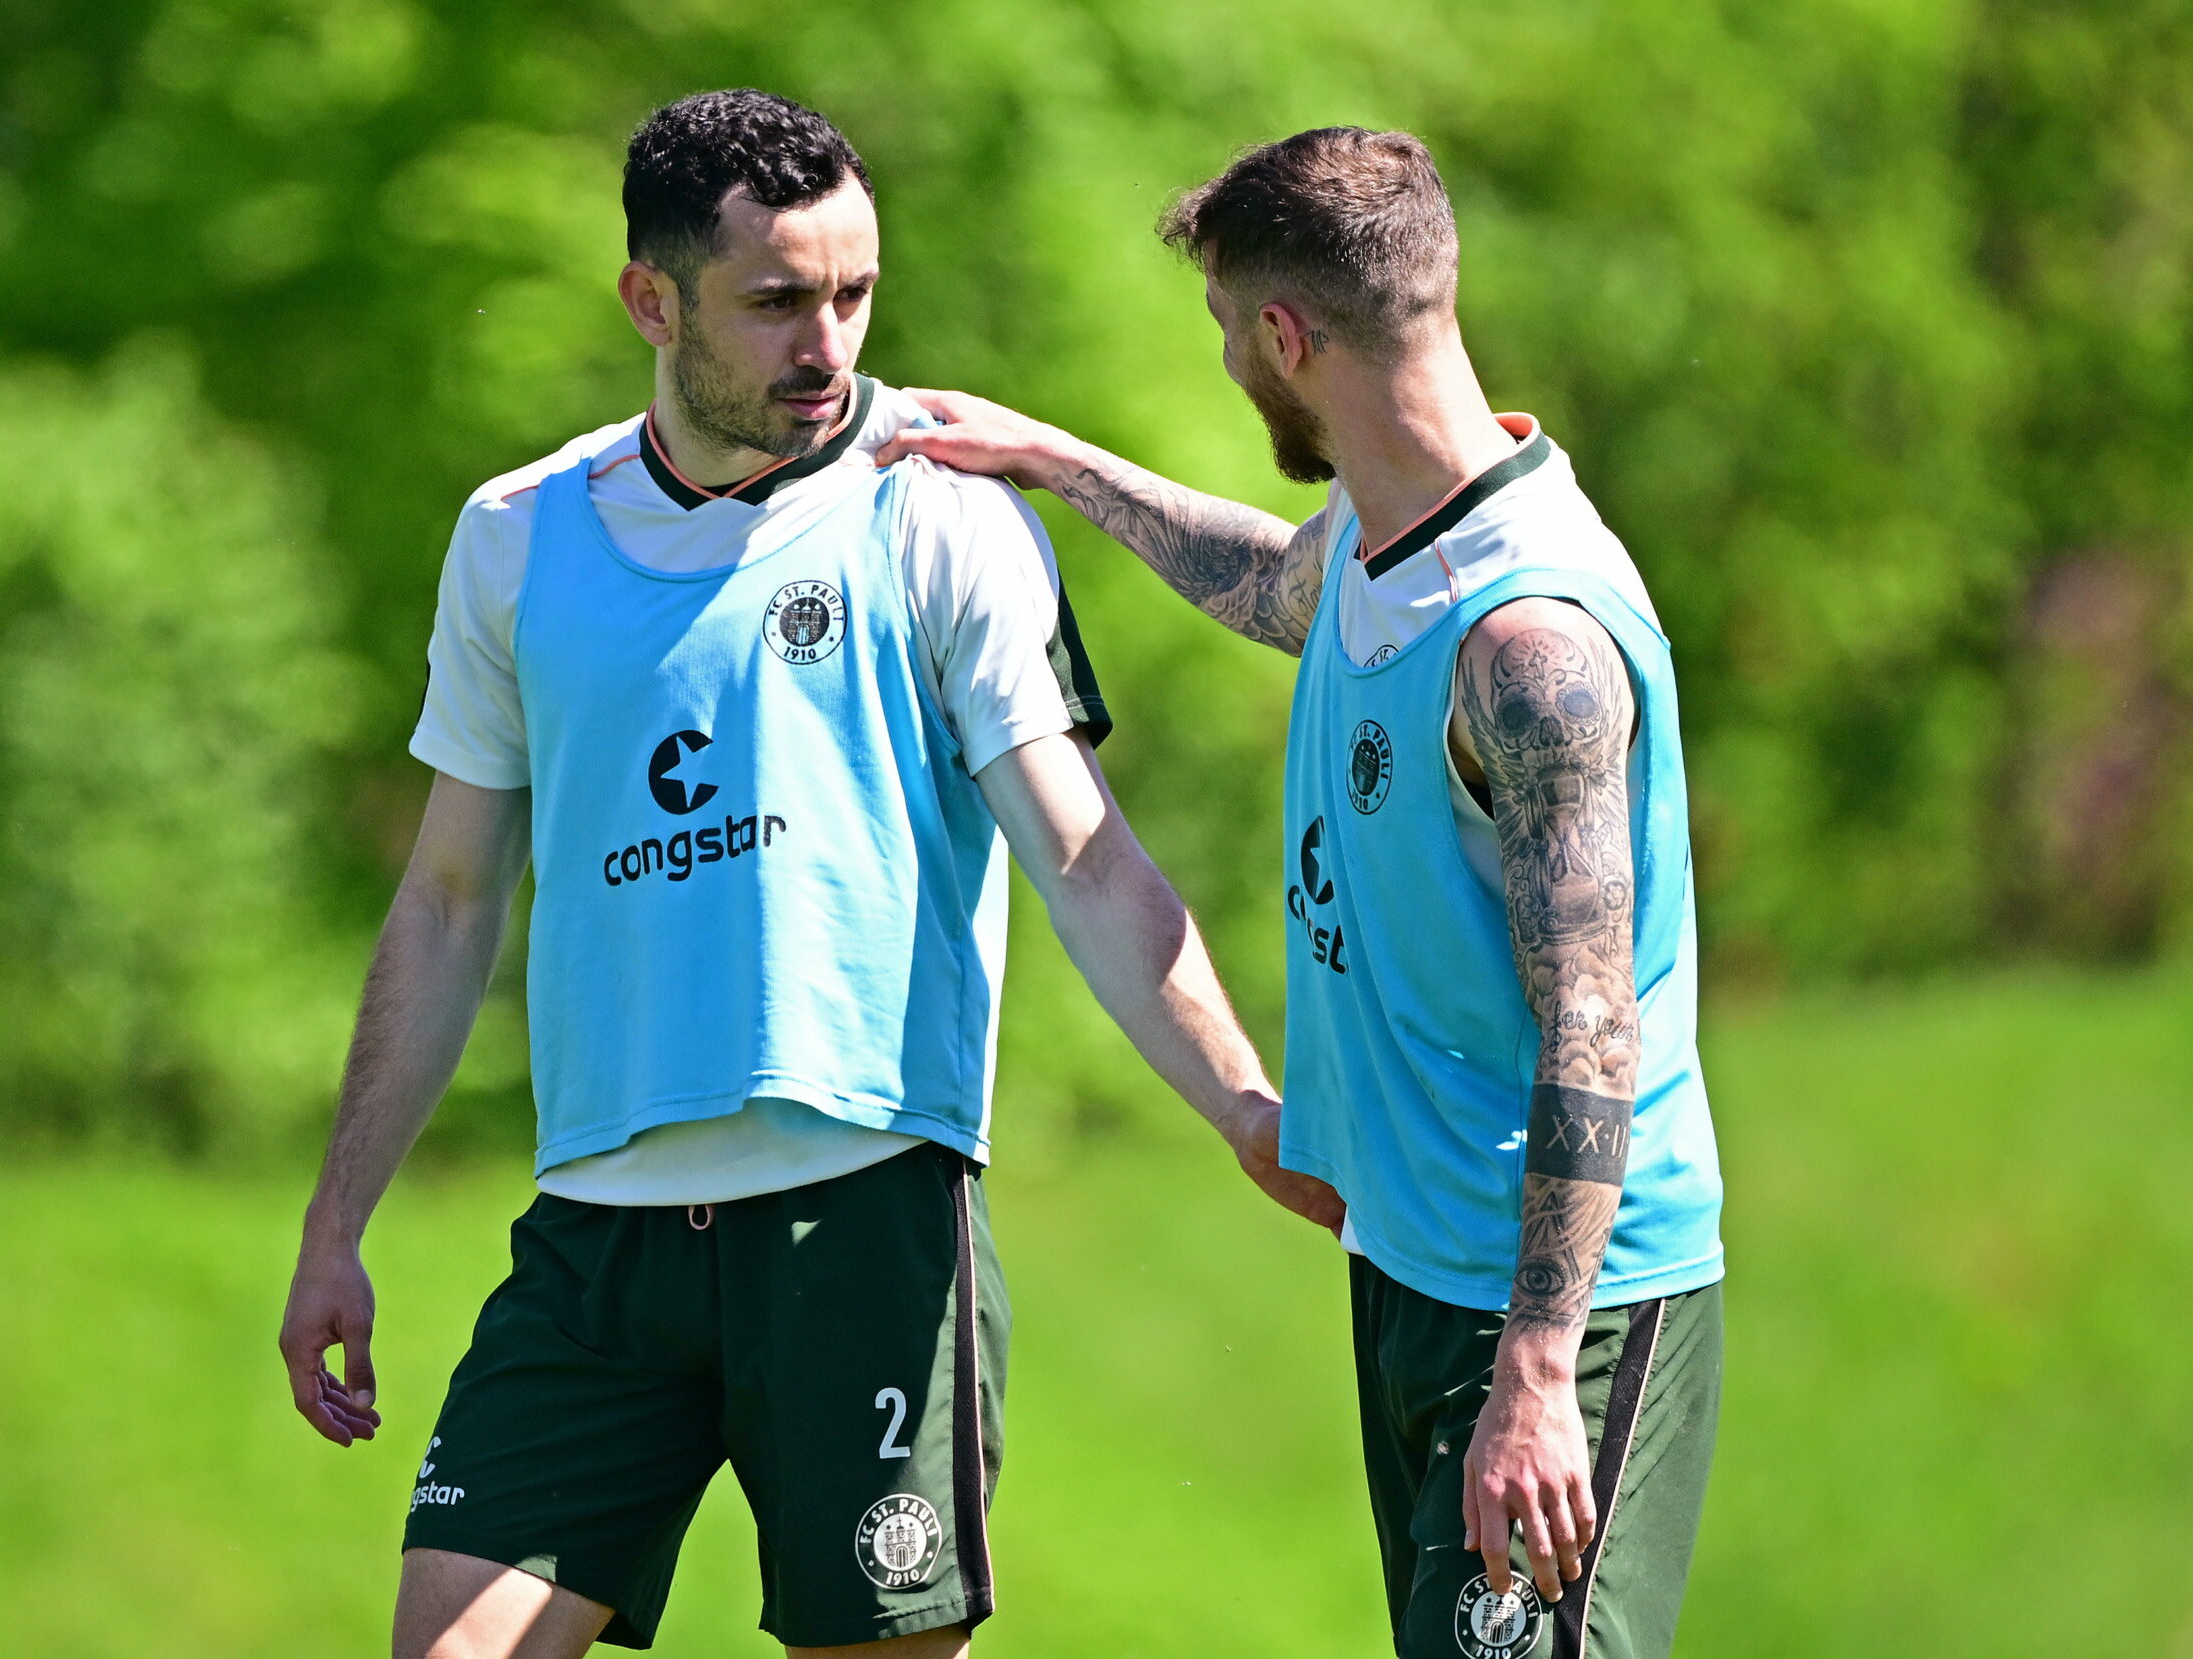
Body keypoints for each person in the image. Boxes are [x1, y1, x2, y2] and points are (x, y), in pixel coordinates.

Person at [276, 90, 1342, 1659]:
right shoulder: (516, 540)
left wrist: (1245, 1105)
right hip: (601, 1231)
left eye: (853, 293)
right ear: (652, 301)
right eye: (776, 300)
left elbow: (1084, 856)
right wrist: (335, 1218)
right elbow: (443, 906)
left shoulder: (941, 517)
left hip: (862, 1219)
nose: (827, 344)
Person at [879, 126, 1725, 1659]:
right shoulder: (1390, 536)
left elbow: (1595, 1031)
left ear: (1286, 335)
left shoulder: (1528, 646)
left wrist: (1538, 1374)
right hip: (1411, 1264)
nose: (1229, 368)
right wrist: (1051, 462)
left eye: (1226, 334)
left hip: (1559, 1311)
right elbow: (1279, 580)